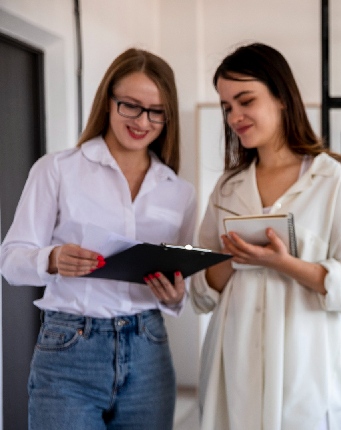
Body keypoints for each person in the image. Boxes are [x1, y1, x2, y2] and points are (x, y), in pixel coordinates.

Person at [0, 48, 196, 428]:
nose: (143, 121)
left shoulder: (179, 191)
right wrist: (53, 258)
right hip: (70, 349)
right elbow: (10, 261)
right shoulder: (56, 170)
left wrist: (175, 296)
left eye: (156, 111)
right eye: (131, 106)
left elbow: (177, 273)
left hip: (149, 350)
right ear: (108, 101)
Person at [190, 42, 341, 430]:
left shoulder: (329, 181)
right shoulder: (228, 189)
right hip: (234, 372)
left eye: (245, 101)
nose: (235, 116)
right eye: (227, 107)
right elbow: (200, 292)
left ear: (280, 98)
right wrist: (234, 257)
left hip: (307, 377)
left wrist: (286, 264)